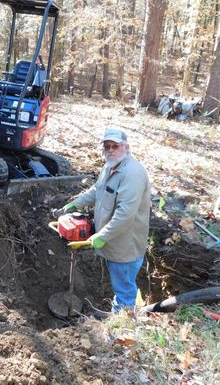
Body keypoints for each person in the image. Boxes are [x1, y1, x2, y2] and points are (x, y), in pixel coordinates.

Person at [54, 128, 151, 315]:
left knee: (124, 287)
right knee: (120, 283)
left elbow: (125, 214)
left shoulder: (132, 174)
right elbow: (96, 190)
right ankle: (120, 312)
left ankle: (122, 325)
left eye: (115, 146)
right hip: (112, 240)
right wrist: (75, 204)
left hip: (125, 245)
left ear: (126, 147)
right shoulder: (111, 166)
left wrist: (101, 236)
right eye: (107, 146)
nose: (111, 150)